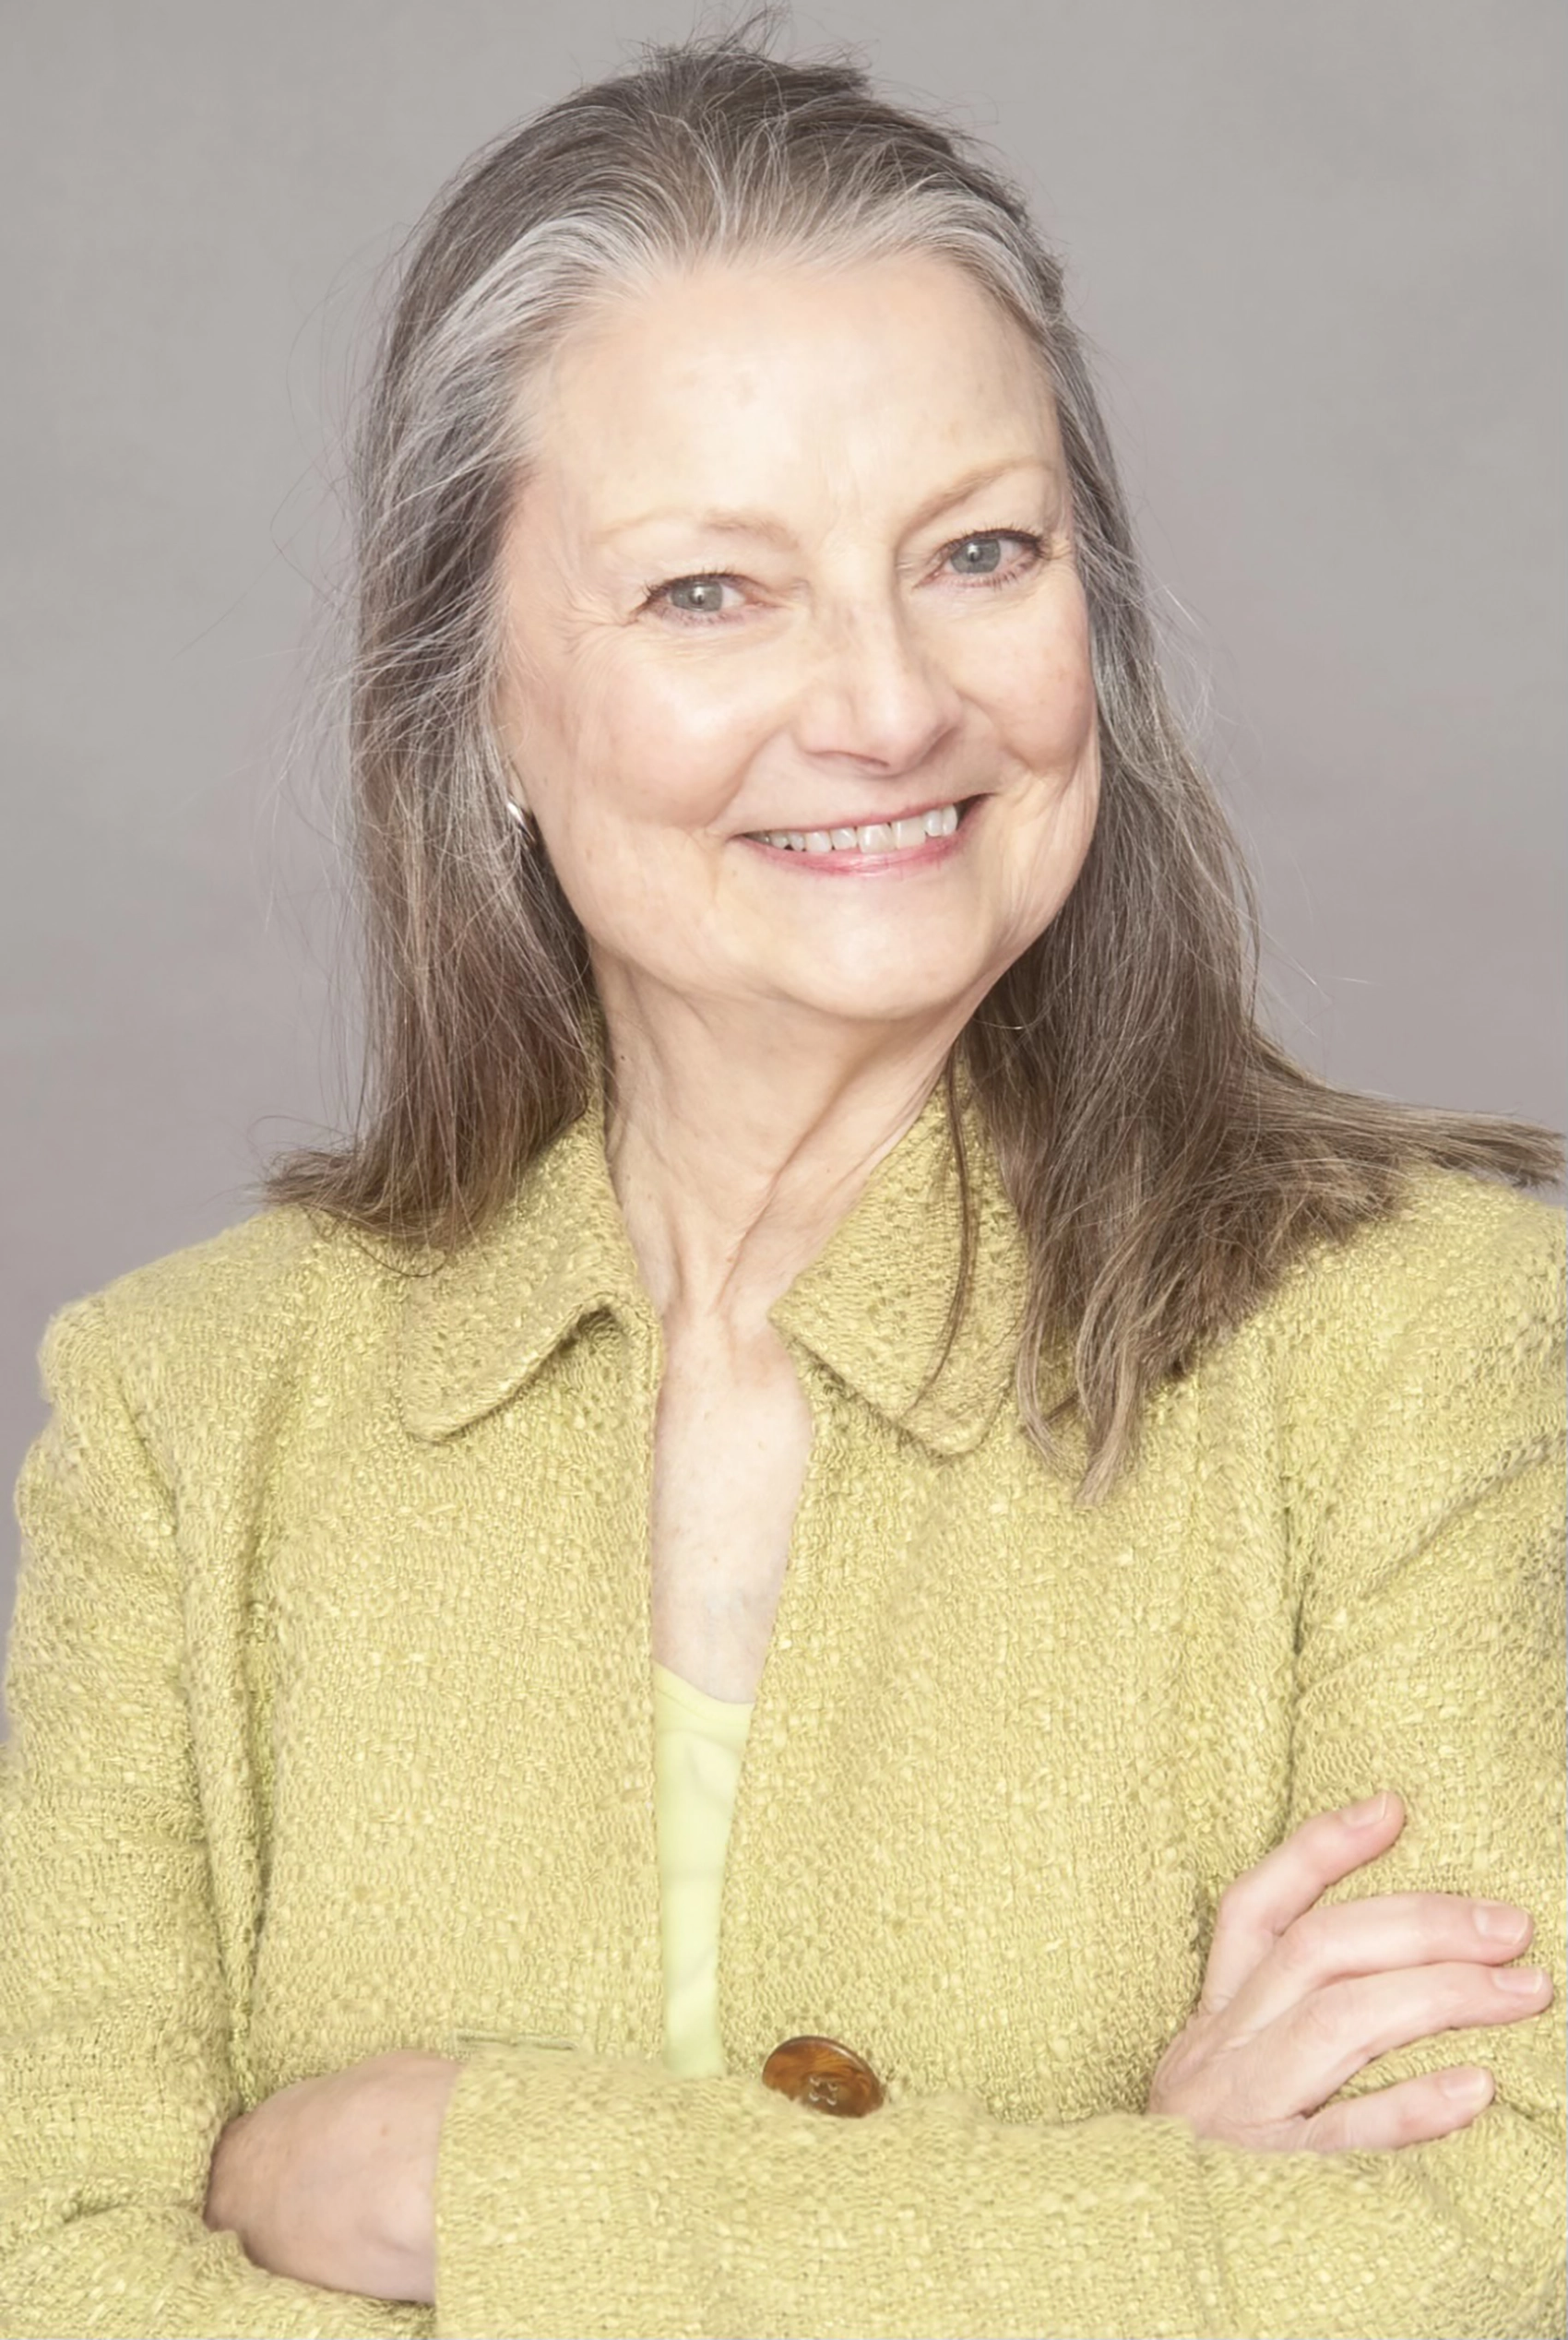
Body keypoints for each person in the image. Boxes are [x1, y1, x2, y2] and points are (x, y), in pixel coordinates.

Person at [2, 21, 1562, 2340]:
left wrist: (455, 2183)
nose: (888, 704)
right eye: (709, 592)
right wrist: (1142, 2215)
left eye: (979, 553)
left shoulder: (1418, 1344)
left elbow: (1496, 2256)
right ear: (478, 699)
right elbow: (49, 2278)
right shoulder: (184, 1414)